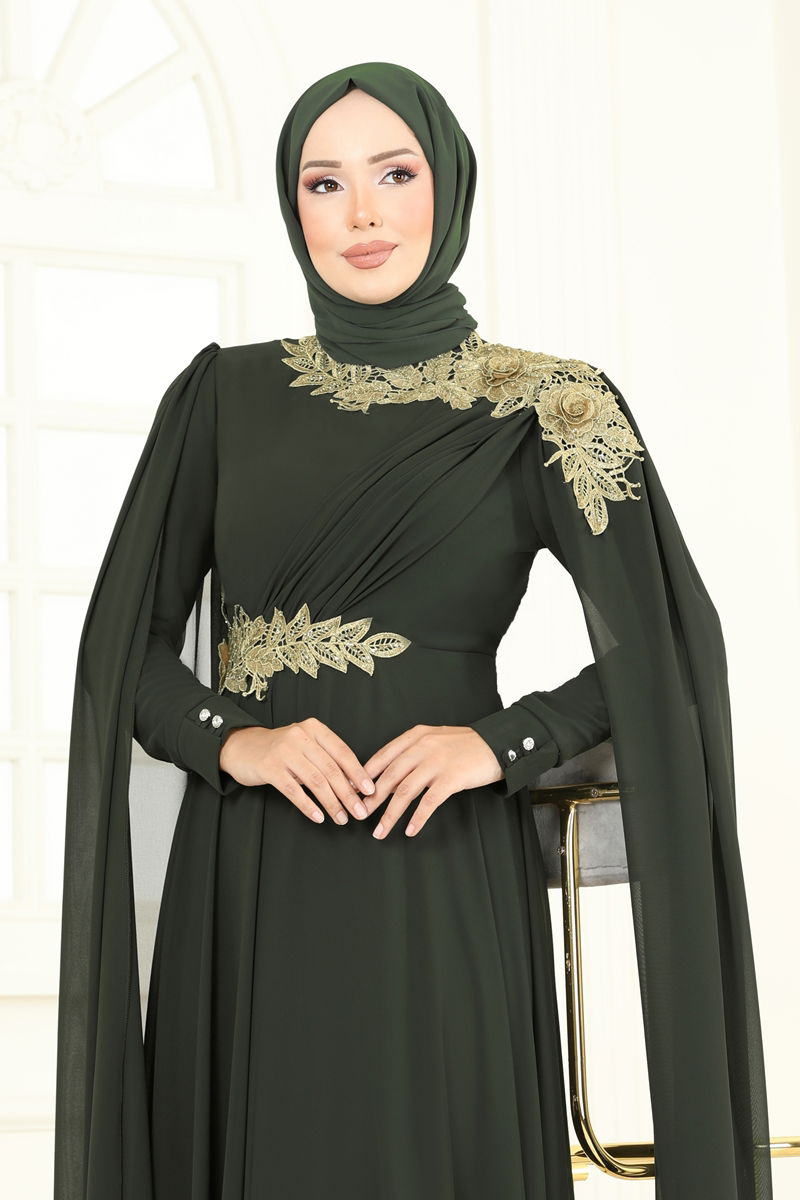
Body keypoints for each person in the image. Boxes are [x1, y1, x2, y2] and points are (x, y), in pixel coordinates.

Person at [53, 61, 773, 1199]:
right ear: (293, 210)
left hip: (437, 872)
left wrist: (500, 742)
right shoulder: (220, 398)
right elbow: (121, 656)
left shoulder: (553, 405)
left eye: (394, 174)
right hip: (249, 877)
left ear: (448, 186)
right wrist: (239, 741)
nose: (362, 214)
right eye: (323, 183)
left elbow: (669, 653)